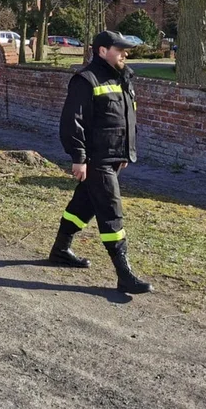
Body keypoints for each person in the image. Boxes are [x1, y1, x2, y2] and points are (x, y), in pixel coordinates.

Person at [52, 30, 152, 294]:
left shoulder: (123, 77)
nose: (125, 54)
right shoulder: (86, 80)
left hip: (114, 157)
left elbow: (126, 117)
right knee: (110, 211)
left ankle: (60, 250)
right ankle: (124, 274)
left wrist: (125, 153)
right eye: (119, 50)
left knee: (83, 205)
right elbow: (71, 123)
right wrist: (79, 158)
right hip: (96, 159)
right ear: (102, 51)